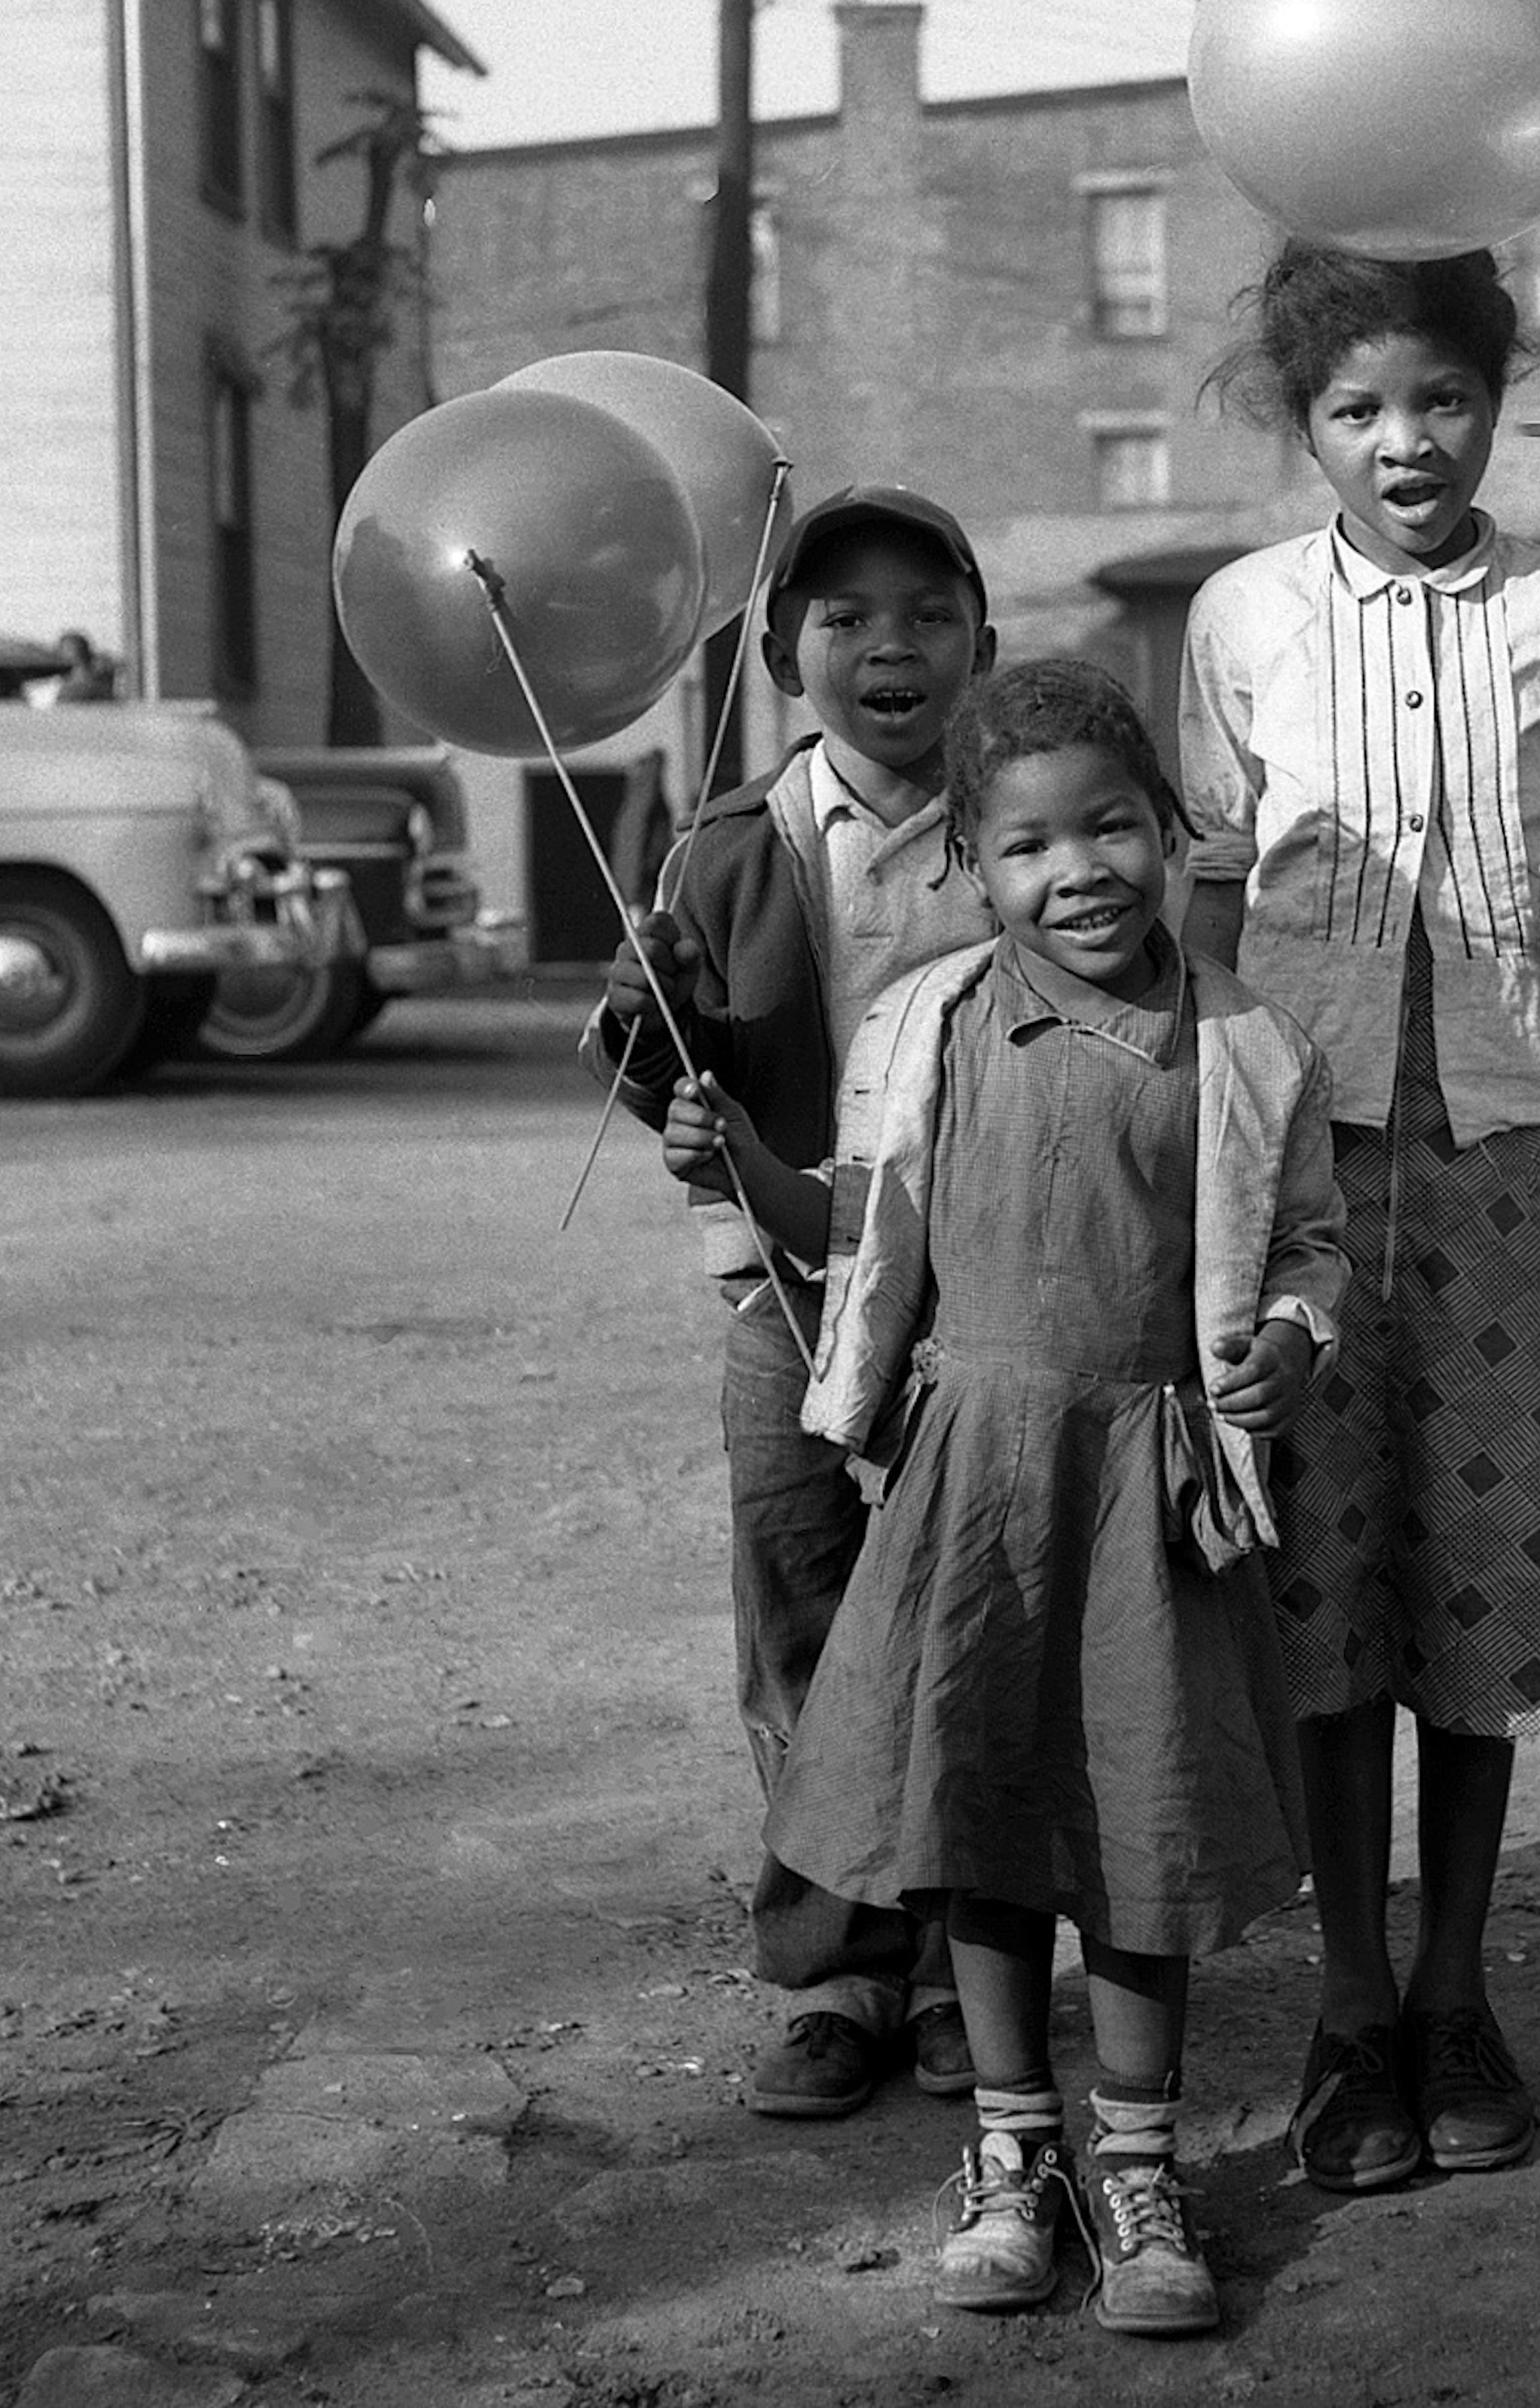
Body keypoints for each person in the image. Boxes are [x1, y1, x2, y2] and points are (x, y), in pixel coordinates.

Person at [666, 660, 1348, 2337]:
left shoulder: (1247, 1045)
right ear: (972, 864)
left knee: (1141, 1826)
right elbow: (858, 1224)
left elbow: (1311, 1244)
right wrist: (736, 1160)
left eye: (1112, 827)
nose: (1079, 871)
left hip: (1146, 1490)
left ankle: (1139, 2164)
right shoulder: (928, 1025)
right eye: (1030, 845)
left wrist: (1289, 1337)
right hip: (971, 1484)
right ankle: (1011, 2146)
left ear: (1172, 829)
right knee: (976, 1814)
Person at [1178, 243, 1540, 2196]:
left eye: (1442, 398)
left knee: (1487, 1579)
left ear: (1497, 399)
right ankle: (1350, 2006)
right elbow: (1204, 897)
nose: (1406, 442)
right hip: (1306, 1153)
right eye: (1358, 408)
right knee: (1322, 1584)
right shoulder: (1241, 617)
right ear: (1306, 425)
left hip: (1516, 1150)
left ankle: (1458, 1988)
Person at [588, 484, 998, 2120]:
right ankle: (840, 1971)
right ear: (778, 656)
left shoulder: (1022, 823)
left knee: (968, 1618)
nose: (891, 646)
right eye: (844, 618)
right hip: (783, 1287)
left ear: (983, 644)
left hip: (982, 1292)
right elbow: (658, 1060)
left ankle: (971, 1968)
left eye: (928, 614)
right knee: (804, 1616)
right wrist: (651, 1053)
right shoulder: (723, 846)